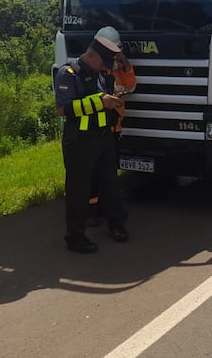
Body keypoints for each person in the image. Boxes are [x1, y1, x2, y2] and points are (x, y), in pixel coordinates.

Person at [54, 27, 130, 253]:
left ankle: (116, 224)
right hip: (80, 142)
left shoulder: (102, 73)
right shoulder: (68, 74)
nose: (106, 68)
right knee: (79, 191)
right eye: (103, 63)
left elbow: (112, 89)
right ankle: (75, 237)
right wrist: (100, 102)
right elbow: (63, 109)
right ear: (93, 55)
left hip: (104, 136)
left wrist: (115, 101)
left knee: (110, 184)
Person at [87, 26, 136, 227]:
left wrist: (126, 67)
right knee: (92, 174)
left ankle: (108, 211)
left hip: (114, 130)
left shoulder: (117, 71)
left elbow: (131, 86)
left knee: (109, 173)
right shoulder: (92, 71)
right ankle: (91, 211)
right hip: (93, 131)